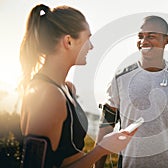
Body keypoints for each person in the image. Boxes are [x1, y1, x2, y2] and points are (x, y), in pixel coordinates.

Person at [19, 4, 136, 168]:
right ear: (68, 41)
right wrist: (102, 149)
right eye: (87, 38)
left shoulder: (67, 88)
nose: (91, 46)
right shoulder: (47, 95)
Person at [96, 16, 168, 168]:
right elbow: (106, 128)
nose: (144, 41)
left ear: (166, 40)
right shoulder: (120, 79)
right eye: (140, 36)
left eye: (151, 36)